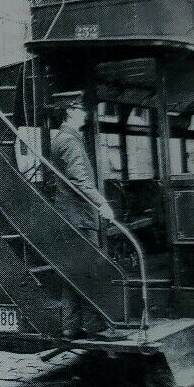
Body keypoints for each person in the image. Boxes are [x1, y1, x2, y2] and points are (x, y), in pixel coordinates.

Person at [46, 91, 117, 341]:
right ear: (70, 112)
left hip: (71, 217)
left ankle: (71, 326)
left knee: (74, 272)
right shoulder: (70, 141)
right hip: (80, 217)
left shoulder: (64, 139)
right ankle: (95, 327)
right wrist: (102, 204)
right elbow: (79, 180)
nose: (85, 113)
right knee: (90, 270)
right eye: (80, 109)